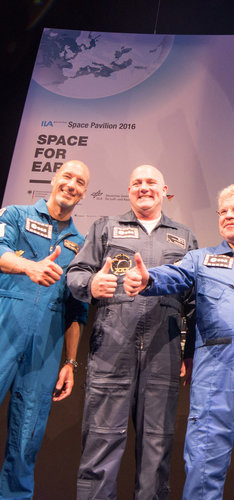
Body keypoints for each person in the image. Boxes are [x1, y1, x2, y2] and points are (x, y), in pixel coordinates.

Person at [123, 185, 234, 499]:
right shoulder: (200, 259)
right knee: (203, 470)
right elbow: (173, 276)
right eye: (223, 211)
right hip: (213, 379)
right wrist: (148, 279)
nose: (228, 216)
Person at [66, 165, 198, 499]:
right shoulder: (105, 228)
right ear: (128, 191)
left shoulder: (184, 237)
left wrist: (189, 352)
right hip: (111, 348)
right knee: (101, 442)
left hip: (162, 350)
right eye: (136, 183)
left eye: (150, 182)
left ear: (164, 189)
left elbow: (196, 300)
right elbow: (76, 274)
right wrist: (91, 284)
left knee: (157, 447)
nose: (143, 187)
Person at [0, 160, 90, 497]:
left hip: (46, 345)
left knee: (27, 437)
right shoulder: (14, 215)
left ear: (84, 192)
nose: (71, 184)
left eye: (79, 182)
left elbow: (77, 308)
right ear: (54, 179)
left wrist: (69, 362)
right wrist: (28, 267)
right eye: (67, 176)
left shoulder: (80, 244)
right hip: (5, 326)